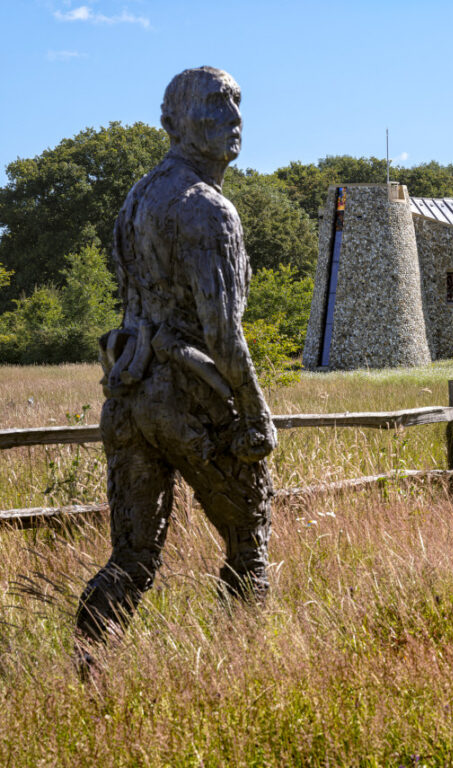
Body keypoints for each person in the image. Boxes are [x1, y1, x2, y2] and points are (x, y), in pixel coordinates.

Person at [75, 67, 277, 663]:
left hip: (130, 394)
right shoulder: (207, 210)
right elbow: (222, 332)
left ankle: (86, 667)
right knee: (249, 545)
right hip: (188, 394)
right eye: (215, 105)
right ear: (174, 122)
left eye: (237, 103)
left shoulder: (139, 197)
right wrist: (257, 412)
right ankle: (243, 668)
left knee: (133, 559)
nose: (233, 118)